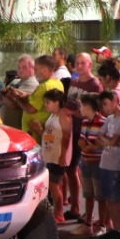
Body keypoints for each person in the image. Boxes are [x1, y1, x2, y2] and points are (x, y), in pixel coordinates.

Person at [94, 89, 120, 239]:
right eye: (102, 105)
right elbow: (99, 137)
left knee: (116, 198)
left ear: (115, 101)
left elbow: (113, 141)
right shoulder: (110, 119)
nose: (104, 108)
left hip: (116, 163)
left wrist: (107, 141)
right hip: (105, 161)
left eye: (106, 104)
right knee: (108, 197)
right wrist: (107, 141)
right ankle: (114, 228)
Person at [40, 88, 72, 223]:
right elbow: (50, 134)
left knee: (54, 185)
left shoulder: (63, 117)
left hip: (57, 156)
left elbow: (66, 137)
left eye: (48, 102)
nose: (45, 105)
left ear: (57, 102)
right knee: (52, 185)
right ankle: (57, 213)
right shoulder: (53, 116)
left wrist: (63, 156)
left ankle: (59, 214)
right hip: (49, 154)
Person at [77, 93, 107, 234]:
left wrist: (92, 146)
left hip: (98, 163)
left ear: (88, 107)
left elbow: (106, 143)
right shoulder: (84, 122)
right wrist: (82, 143)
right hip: (85, 161)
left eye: (81, 105)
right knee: (88, 194)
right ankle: (88, 223)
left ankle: (102, 225)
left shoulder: (103, 122)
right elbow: (82, 139)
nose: (80, 108)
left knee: (100, 196)